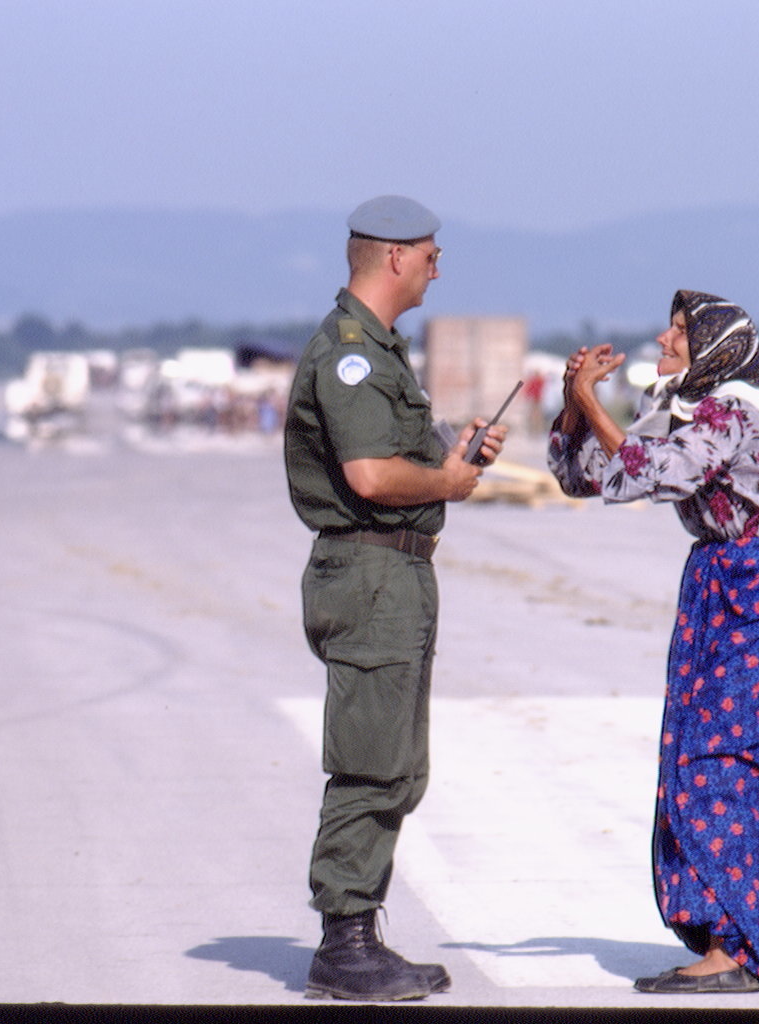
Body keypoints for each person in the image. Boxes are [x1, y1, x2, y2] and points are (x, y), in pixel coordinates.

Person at [548, 290, 759, 994]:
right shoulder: (684, 410)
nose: (665, 340)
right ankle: (724, 936)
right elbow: (584, 477)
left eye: (681, 332)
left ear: (715, 348)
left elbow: (655, 472)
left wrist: (594, 406)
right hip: (722, 587)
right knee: (696, 753)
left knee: (731, 757)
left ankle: (741, 944)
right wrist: (570, 402)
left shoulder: (732, 412)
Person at [283, 195, 507, 1001]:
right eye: (432, 252)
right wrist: (446, 479)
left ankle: (358, 930)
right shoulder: (350, 354)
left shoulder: (377, 352)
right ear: (395, 258)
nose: (439, 265)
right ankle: (343, 944)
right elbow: (371, 477)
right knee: (371, 764)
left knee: (396, 767)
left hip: (394, 572)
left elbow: (390, 451)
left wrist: (451, 446)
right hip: (372, 574)